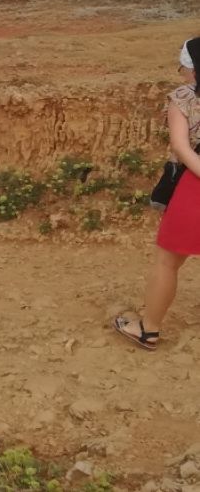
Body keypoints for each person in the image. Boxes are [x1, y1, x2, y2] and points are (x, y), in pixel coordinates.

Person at [113, 38, 200, 350]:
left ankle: (147, 329)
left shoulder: (184, 98)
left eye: (183, 66)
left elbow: (181, 147)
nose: (181, 73)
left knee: (167, 263)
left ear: (192, 69)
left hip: (195, 187)